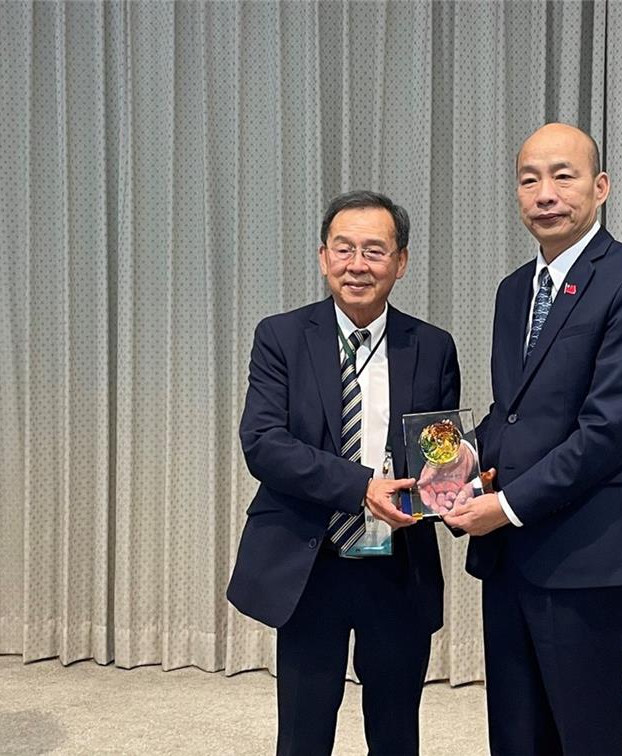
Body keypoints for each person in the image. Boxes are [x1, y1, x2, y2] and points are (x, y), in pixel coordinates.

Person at [444, 123, 622, 755]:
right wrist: (462, 456)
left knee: (587, 737)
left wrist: (505, 506)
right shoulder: (513, 290)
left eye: (562, 176)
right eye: (529, 180)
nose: (545, 193)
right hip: (508, 558)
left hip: (584, 557)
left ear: (599, 188)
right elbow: (514, 414)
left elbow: (607, 431)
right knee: (516, 735)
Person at [227, 191, 461, 756]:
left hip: (397, 564)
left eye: (374, 251)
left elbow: (440, 450)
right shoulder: (281, 337)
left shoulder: (432, 346)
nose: (358, 265)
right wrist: (361, 488)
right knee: (303, 732)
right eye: (344, 249)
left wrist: (460, 486)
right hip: (312, 563)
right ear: (323, 257)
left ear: (400, 262)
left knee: (396, 731)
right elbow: (264, 444)